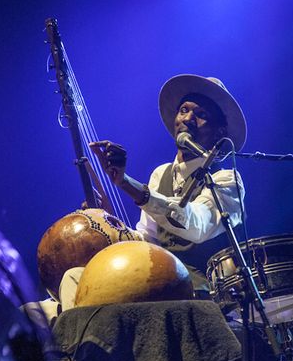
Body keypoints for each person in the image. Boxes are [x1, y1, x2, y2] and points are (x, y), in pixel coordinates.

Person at [90, 74, 247, 298]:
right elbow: (147, 242)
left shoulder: (227, 179)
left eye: (201, 115)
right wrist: (107, 223)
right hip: (162, 286)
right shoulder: (160, 174)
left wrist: (127, 184)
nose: (188, 119)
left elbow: (198, 225)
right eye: (183, 110)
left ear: (219, 133)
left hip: (209, 296)